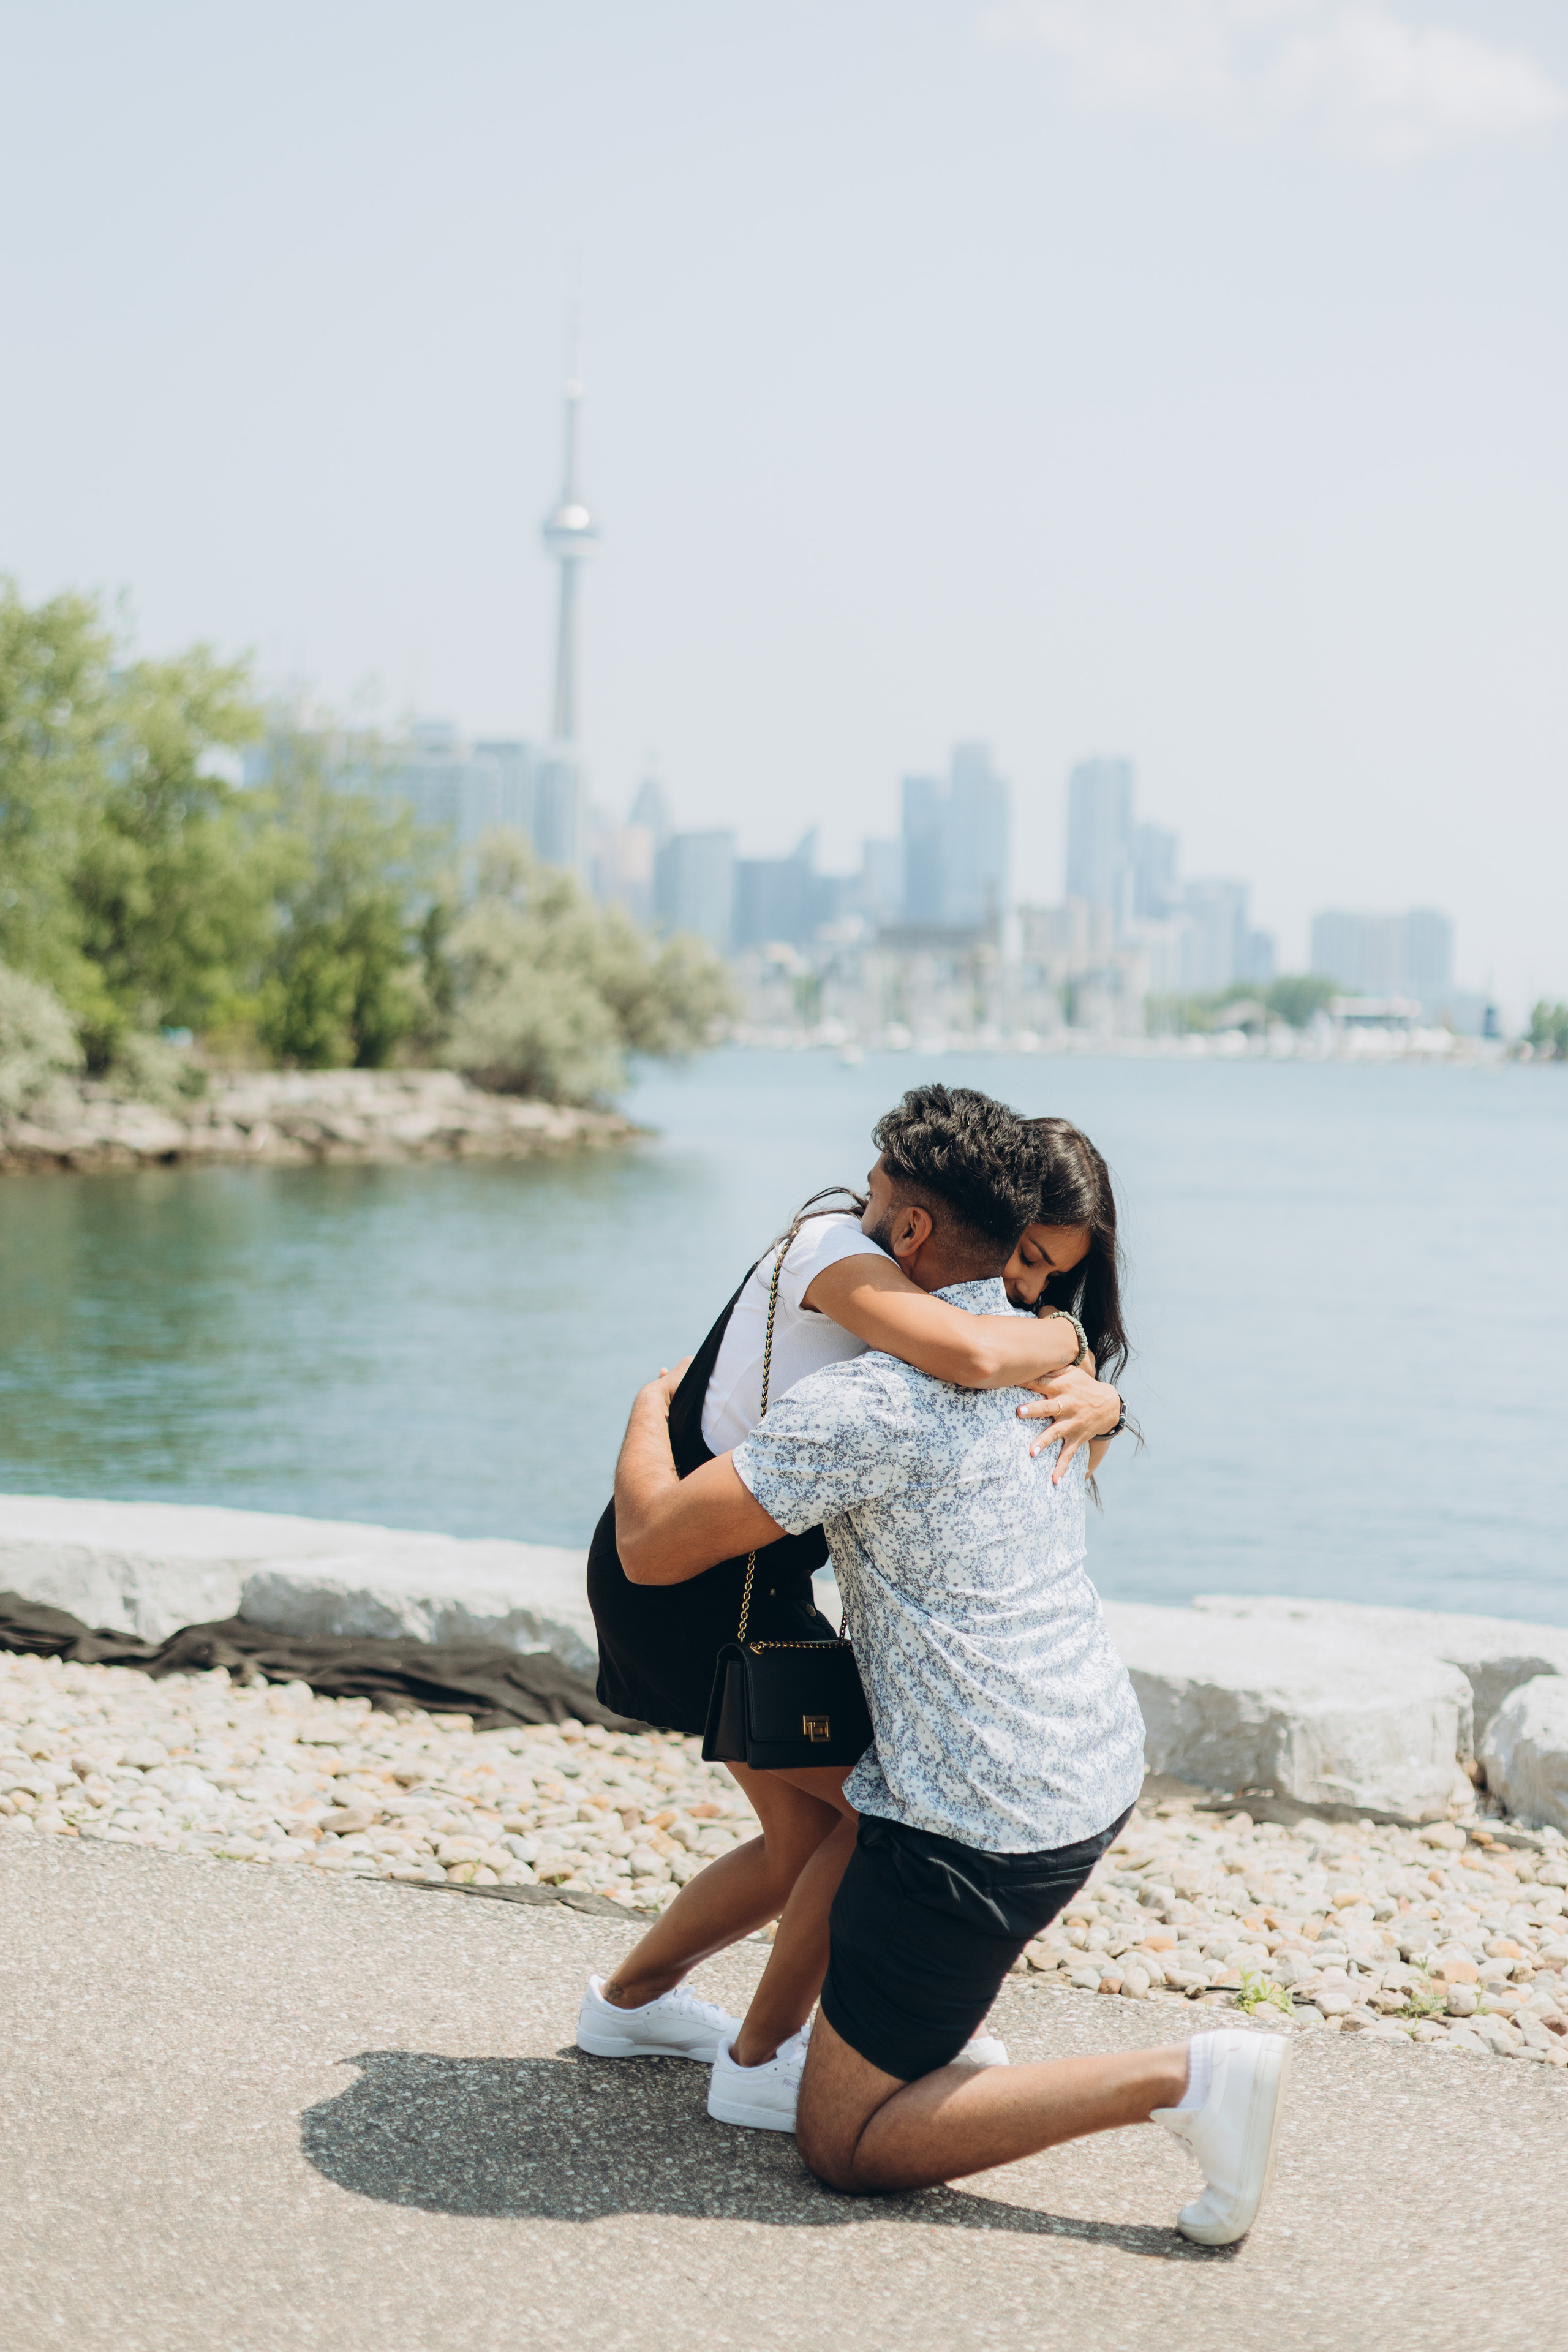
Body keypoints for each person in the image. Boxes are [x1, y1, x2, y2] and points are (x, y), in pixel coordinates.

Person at [609, 1084, 1289, 2247]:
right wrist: (1077, 1354)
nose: (862, 1204)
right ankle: (780, 2037)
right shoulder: (1048, 1376)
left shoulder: (873, 1401)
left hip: (973, 1818)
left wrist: (644, 1409)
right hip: (1091, 1762)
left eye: (881, 1194)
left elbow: (651, 1547)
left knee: (844, 2143)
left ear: (913, 1226)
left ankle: (1188, 2079)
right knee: (832, 1838)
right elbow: (996, 1348)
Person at [576, 1091, 1127, 2112]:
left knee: (805, 1840)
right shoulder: (836, 1244)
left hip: (753, 1572)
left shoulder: (946, 1286)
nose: (1024, 1288)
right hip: (691, 1572)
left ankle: (632, 2004)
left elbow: (998, 1367)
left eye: (1051, 1275)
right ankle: (768, 2058)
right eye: (1024, 1259)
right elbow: (974, 1355)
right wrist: (648, 1409)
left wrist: (1102, 1389)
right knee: (871, 1809)